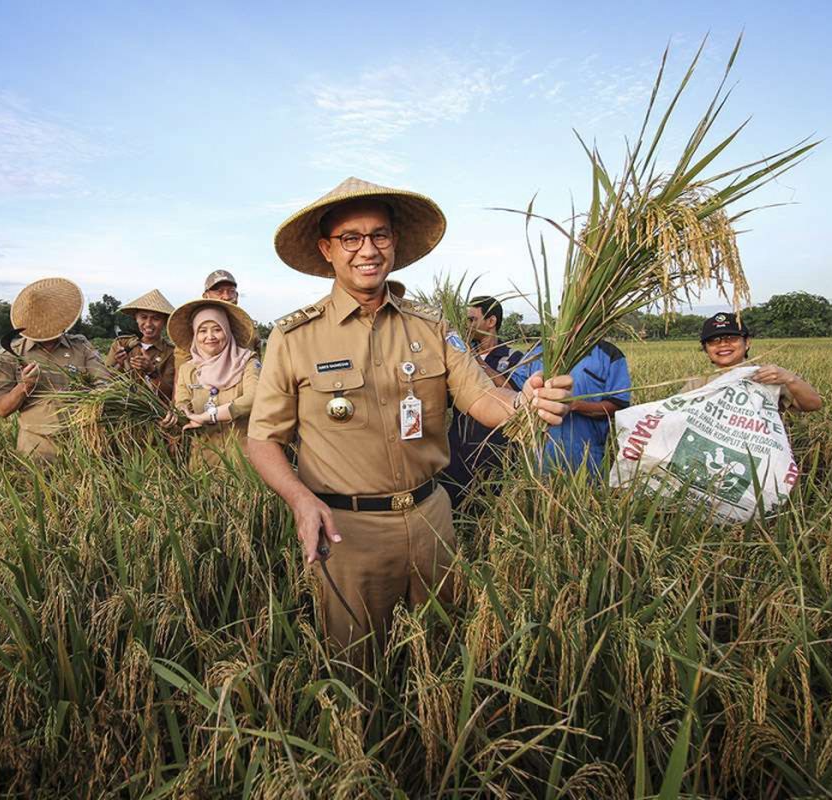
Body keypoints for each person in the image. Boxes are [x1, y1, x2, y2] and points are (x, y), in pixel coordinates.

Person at [246, 176, 575, 661]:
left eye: (380, 235)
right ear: (327, 250)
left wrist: (528, 403)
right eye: (351, 238)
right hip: (348, 531)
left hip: (431, 519)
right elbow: (262, 440)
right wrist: (299, 499)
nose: (368, 250)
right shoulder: (294, 338)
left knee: (442, 659)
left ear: (394, 243)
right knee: (356, 665)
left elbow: (483, 400)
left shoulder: (431, 327)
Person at [0, 277, 108, 463]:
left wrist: (92, 403)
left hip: (82, 444)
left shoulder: (81, 346)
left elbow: (104, 382)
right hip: (35, 449)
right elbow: (1, 409)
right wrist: (24, 386)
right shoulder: (11, 354)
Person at [438, 295, 525, 508]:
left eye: (471, 319)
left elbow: (515, 395)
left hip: (497, 452)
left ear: (491, 321)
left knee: (491, 512)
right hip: (459, 450)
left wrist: (475, 363)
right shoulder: (456, 356)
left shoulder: (513, 357)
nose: (467, 325)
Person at [512, 337, 632, 475]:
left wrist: (574, 404)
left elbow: (618, 405)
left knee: (585, 494)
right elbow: (515, 389)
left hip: (587, 457)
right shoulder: (538, 350)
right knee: (538, 492)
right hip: (538, 453)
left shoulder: (609, 354)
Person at [169, 298, 261, 465]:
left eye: (217, 329)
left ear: (227, 331)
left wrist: (207, 416)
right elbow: (181, 402)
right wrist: (181, 414)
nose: (209, 337)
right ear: (195, 335)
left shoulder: (247, 361)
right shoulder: (188, 369)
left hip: (244, 461)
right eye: (202, 331)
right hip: (204, 462)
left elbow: (253, 397)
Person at [679, 313, 824, 414]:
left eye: (731, 338)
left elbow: (813, 405)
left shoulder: (767, 376)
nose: (723, 344)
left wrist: (790, 379)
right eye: (713, 341)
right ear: (706, 349)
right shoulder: (698, 384)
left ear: (747, 342)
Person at [105, 289, 176, 401]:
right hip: (122, 407)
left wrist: (152, 371)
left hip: (156, 413)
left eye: (156, 318)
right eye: (143, 317)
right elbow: (105, 383)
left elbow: (170, 394)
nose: (148, 324)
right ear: (136, 318)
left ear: (164, 322)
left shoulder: (172, 352)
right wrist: (119, 365)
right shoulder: (121, 344)